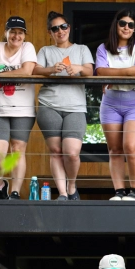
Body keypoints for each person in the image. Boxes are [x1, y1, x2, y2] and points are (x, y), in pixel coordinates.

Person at [32, 11, 94, 200]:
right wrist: (51, 69)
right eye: (55, 28)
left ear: (69, 28)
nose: (60, 31)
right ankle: (62, 193)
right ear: (50, 32)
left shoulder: (82, 49)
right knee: (56, 150)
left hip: (75, 106)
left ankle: (72, 185)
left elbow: (90, 71)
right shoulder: (45, 51)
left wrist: (79, 68)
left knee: (72, 153)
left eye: (63, 26)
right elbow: (35, 70)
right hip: (48, 104)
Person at [95, 9, 135, 202]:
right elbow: (100, 72)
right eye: (123, 23)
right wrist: (129, 71)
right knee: (114, 149)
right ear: (116, 25)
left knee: (131, 146)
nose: (126, 28)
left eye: (131, 25)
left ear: (134, 29)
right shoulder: (103, 48)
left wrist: (114, 74)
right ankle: (119, 192)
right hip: (110, 101)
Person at [0, 16, 36, 200]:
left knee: (17, 150)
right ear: (6, 33)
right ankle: (0, 185)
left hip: (23, 109)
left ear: (24, 35)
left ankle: (15, 192)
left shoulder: (28, 48)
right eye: (13, 32)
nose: (16, 36)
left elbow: (27, 71)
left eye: (20, 32)